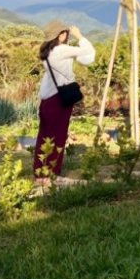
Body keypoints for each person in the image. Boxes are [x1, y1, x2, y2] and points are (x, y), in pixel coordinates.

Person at [34, 21, 95, 180]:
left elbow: (85, 58)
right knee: (58, 136)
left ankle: (40, 172)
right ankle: (52, 173)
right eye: (63, 33)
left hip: (46, 100)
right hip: (59, 100)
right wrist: (79, 35)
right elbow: (88, 51)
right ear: (58, 35)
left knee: (45, 136)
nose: (65, 35)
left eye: (66, 32)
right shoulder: (61, 50)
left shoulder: (47, 52)